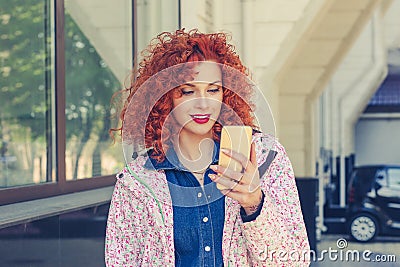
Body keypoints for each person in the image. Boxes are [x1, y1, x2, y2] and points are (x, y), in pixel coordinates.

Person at [105, 29, 310, 266]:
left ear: (227, 94)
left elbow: (295, 262)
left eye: (213, 90)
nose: (203, 103)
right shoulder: (137, 182)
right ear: (165, 98)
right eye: (188, 91)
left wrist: (254, 203)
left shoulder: (265, 158)